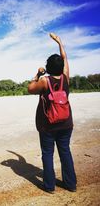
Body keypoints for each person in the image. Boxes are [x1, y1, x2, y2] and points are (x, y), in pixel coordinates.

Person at [28, 33, 77, 194]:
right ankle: (71, 185)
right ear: (61, 66)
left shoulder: (44, 81)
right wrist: (60, 42)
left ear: (48, 67)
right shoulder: (66, 78)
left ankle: (49, 186)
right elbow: (65, 58)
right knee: (65, 151)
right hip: (66, 123)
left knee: (47, 154)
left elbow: (30, 88)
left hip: (48, 125)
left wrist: (37, 73)